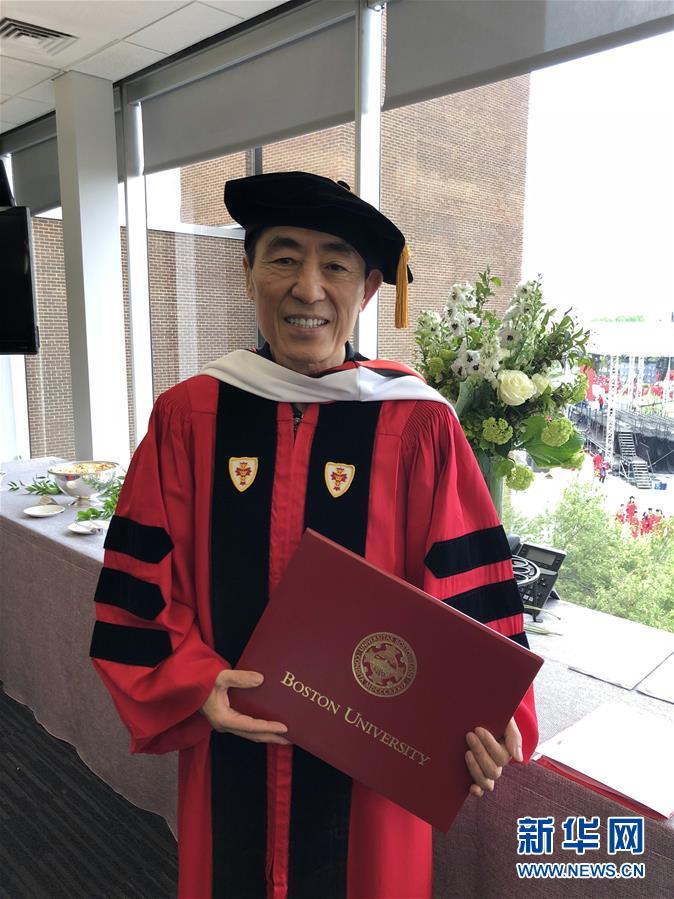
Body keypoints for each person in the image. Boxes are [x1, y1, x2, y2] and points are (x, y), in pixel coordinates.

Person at [90, 172, 538, 899]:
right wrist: (194, 682)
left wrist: (487, 714)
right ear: (248, 274)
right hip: (232, 749)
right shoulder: (187, 417)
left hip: (372, 779)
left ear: (368, 289)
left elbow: (470, 601)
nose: (307, 288)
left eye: (334, 264)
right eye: (283, 258)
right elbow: (138, 588)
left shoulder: (419, 426)